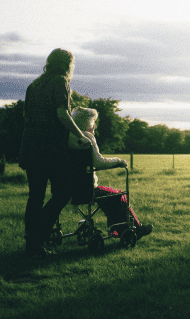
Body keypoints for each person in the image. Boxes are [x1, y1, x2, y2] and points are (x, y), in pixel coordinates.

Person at [18, 48, 92, 257]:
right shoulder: (60, 81)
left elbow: (27, 116)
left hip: (30, 147)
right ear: (67, 64)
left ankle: (32, 244)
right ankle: (37, 237)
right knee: (63, 193)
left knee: (36, 197)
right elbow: (62, 114)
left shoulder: (34, 85)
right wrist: (81, 135)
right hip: (49, 148)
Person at [69, 107, 153, 239]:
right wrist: (119, 161)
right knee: (119, 196)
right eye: (93, 121)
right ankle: (130, 228)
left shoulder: (66, 137)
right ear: (87, 122)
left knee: (109, 198)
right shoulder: (86, 137)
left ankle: (121, 229)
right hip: (87, 188)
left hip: (68, 188)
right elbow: (99, 162)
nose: (94, 125)